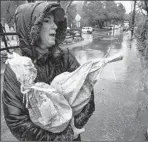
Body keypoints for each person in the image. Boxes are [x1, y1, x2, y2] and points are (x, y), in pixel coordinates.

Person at [2, 1, 95, 141]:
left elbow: (87, 93)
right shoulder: (17, 67)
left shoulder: (65, 57)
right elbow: (17, 121)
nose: (55, 26)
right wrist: (60, 138)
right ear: (32, 27)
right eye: (47, 21)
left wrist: (71, 129)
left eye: (55, 21)